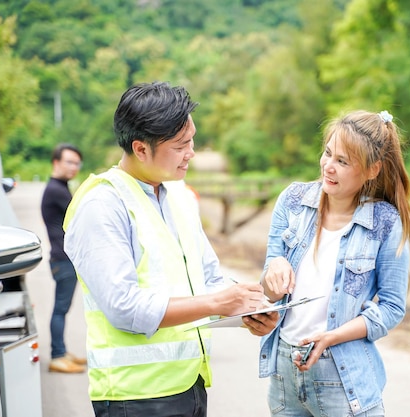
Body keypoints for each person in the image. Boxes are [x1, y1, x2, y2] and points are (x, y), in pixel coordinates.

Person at [62, 81, 277, 417]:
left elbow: (206, 277)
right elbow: (124, 307)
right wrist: (217, 302)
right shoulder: (103, 205)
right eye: (180, 146)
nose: (191, 153)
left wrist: (244, 309)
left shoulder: (178, 196)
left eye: (192, 141)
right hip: (134, 396)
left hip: (189, 385)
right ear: (141, 148)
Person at [258, 110, 410, 416]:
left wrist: (330, 337)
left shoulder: (384, 222)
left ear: (372, 170)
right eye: (328, 153)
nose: (327, 167)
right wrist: (274, 269)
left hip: (342, 378)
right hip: (284, 374)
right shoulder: (293, 201)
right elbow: (268, 288)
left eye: (342, 162)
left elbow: (392, 308)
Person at [40, 143, 87, 373]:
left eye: (77, 163)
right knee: (60, 309)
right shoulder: (56, 190)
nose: (74, 167)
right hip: (63, 259)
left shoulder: (59, 187)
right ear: (56, 162)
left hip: (63, 258)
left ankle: (62, 350)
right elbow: (80, 217)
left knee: (62, 308)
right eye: (69, 162)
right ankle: (57, 356)